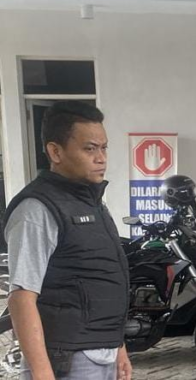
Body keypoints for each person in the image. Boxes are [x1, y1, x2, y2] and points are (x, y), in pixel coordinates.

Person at [3, 101, 132, 380]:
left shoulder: (93, 203)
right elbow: (21, 298)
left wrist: (118, 347)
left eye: (104, 148)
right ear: (55, 151)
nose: (101, 158)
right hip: (69, 359)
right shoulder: (37, 209)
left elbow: (98, 279)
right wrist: (42, 373)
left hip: (101, 352)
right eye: (90, 149)